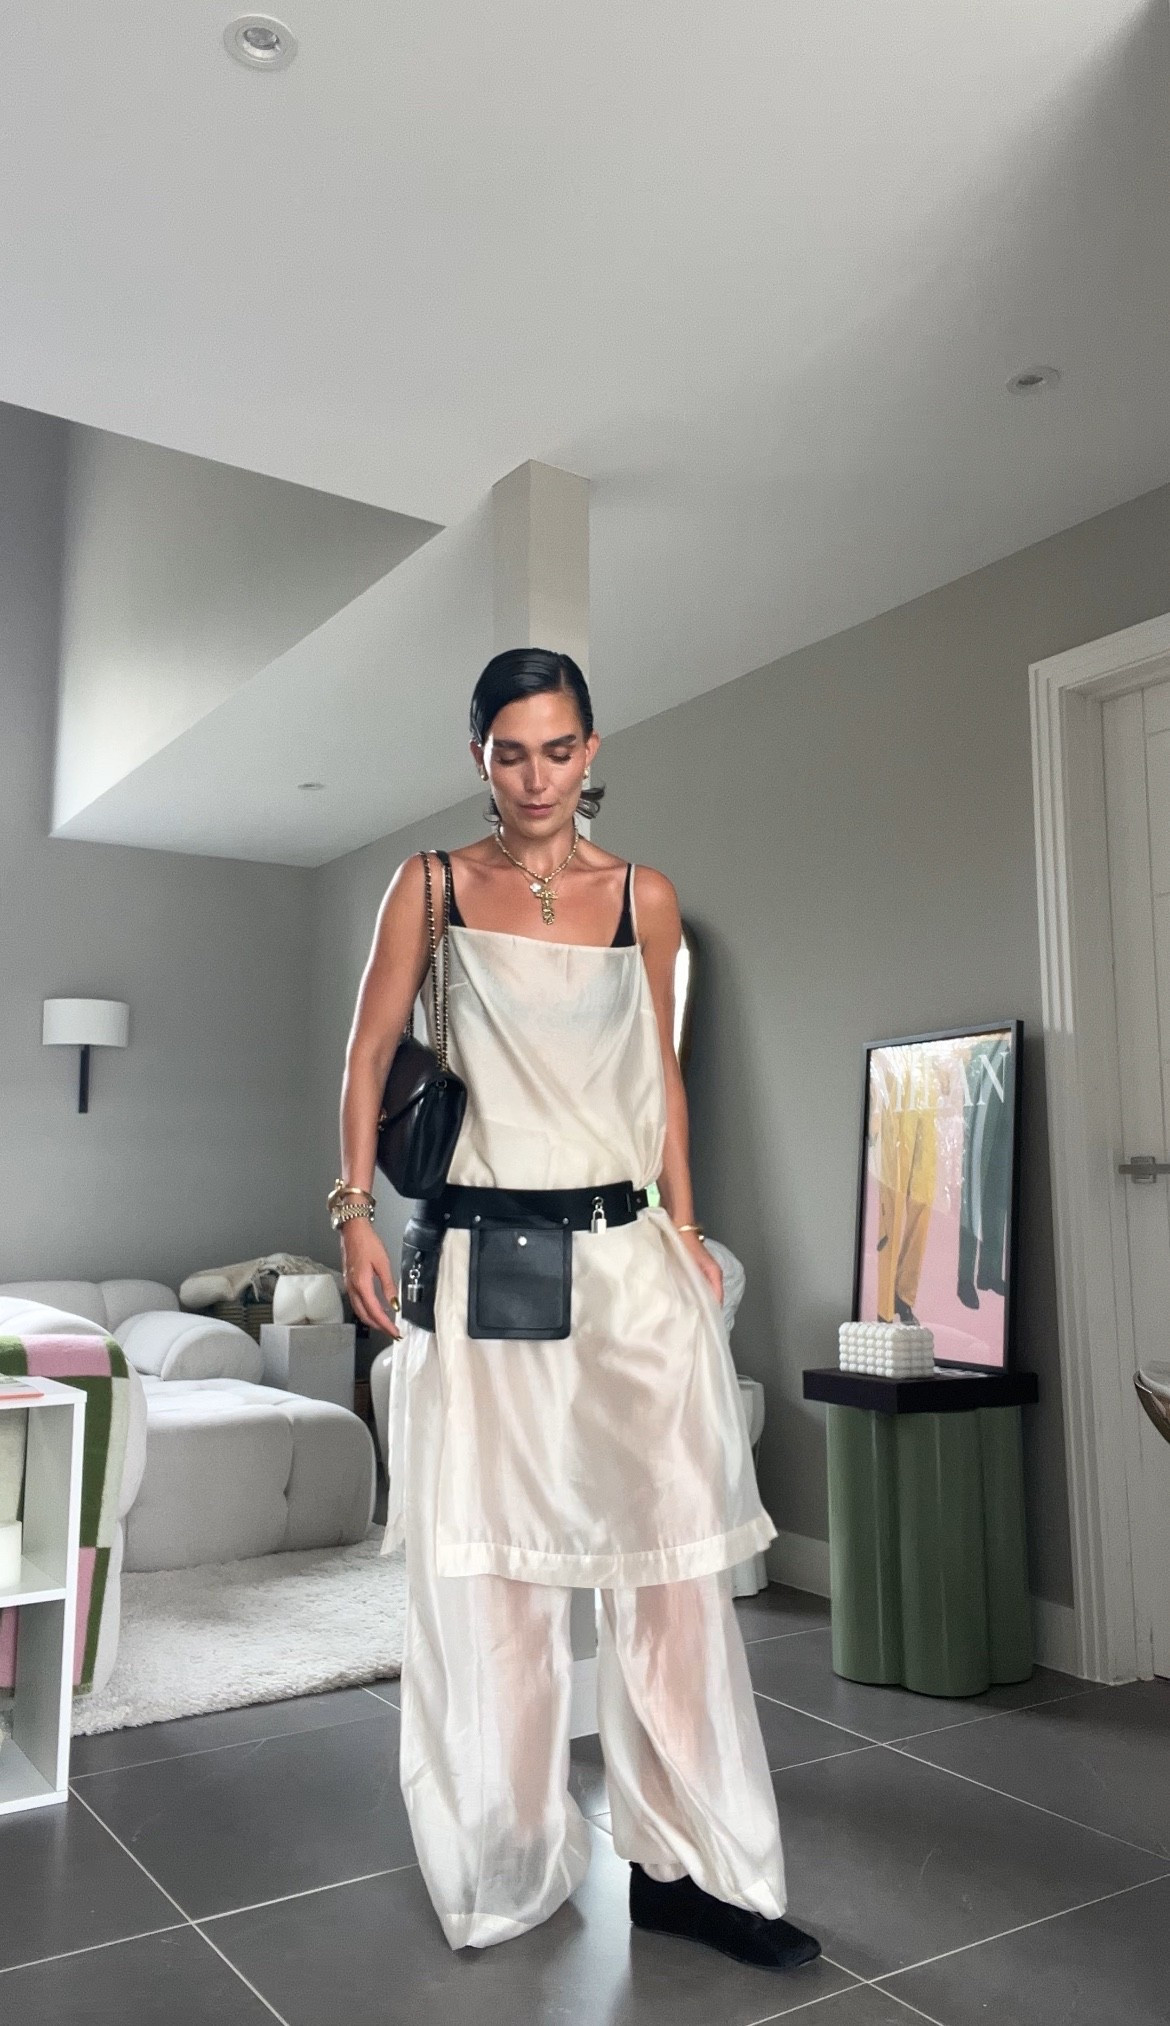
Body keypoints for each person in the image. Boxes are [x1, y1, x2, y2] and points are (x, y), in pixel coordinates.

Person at [334, 647, 819, 1969]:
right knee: (499, 1577)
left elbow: (660, 1073)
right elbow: (368, 1052)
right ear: (478, 757)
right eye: (510, 752)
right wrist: (351, 1211)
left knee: (673, 1574)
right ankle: (505, 1857)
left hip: (628, 1265)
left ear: (591, 750)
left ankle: (695, 1868)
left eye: (558, 749)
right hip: (486, 1265)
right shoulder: (430, 887)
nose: (536, 777)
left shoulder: (642, 896)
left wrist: (689, 1231)